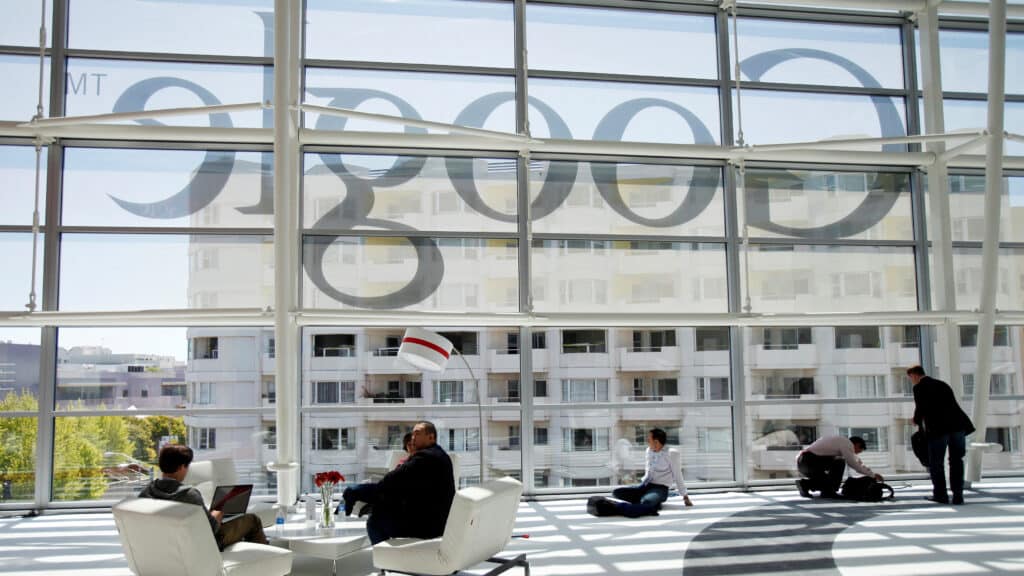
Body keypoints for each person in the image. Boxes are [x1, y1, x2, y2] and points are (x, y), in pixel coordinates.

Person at [341, 421, 455, 544]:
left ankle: (388, 561)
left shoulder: (425, 458)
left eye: (417, 434)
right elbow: (403, 489)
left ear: (431, 437)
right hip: (437, 522)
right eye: (412, 434)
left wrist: (356, 491)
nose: (413, 438)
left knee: (375, 521)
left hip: (427, 527)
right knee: (381, 508)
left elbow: (388, 483)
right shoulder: (439, 455)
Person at [138, 444, 268, 550]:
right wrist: (221, 506)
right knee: (252, 520)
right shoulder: (188, 495)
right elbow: (212, 529)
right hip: (202, 544)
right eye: (187, 466)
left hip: (168, 546)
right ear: (181, 467)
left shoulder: (146, 493)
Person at [908, 365, 975, 505]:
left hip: (938, 428)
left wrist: (916, 419)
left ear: (914, 375)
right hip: (958, 425)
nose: (911, 381)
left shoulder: (919, 387)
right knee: (957, 461)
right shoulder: (942, 384)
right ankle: (958, 496)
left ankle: (941, 495)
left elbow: (921, 407)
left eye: (910, 378)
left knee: (936, 463)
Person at [589, 428, 692, 518]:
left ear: (656, 442)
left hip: (660, 488)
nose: (648, 442)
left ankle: (636, 506)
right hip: (645, 486)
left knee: (646, 502)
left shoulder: (672, 453)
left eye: (649, 440)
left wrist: (685, 497)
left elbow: (678, 475)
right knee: (617, 492)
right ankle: (651, 504)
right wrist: (640, 487)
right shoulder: (649, 451)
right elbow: (648, 471)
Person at [796, 435, 882, 498]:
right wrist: (873, 475)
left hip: (804, 463)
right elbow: (854, 464)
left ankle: (805, 485)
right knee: (840, 462)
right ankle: (829, 492)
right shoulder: (846, 444)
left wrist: (871, 473)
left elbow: (858, 462)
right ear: (857, 445)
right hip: (809, 461)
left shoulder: (841, 443)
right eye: (859, 451)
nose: (857, 453)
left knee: (828, 482)